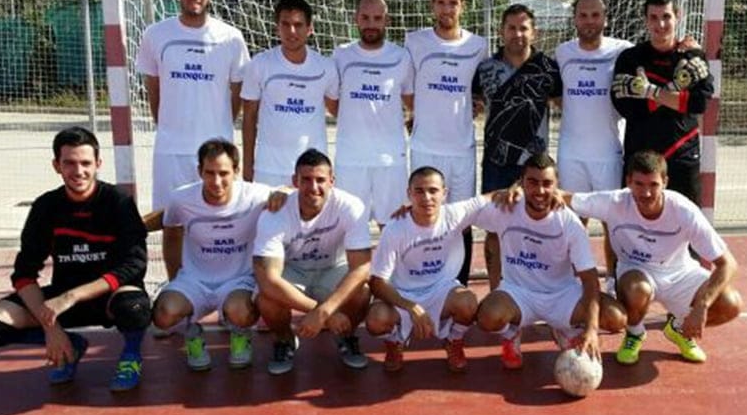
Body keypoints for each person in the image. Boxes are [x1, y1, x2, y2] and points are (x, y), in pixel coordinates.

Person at [0, 127, 151, 392]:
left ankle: (131, 356)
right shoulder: (46, 207)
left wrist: (73, 296)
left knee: (134, 307)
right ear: (57, 165)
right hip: (62, 301)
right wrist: (51, 328)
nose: (79, 172)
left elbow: (134, 265)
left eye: (86, 163)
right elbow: (24, 273)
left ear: (98, 164)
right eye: (70, 163)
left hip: (108, 295)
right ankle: (72, 346)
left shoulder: (118, 201)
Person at [567, 150, 742, 365]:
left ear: (665, 182)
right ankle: (634, 333)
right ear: (628, 181)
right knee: (637, 288)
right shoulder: (614, 202)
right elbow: (564, 198)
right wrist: (519, 192)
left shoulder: (683, 210)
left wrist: (701, 307)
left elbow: (728, 264)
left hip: (679, 274)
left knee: (730, 304)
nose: (646, 193)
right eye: (639, 184)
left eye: (653, 185)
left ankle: (677, 328)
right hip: (636, 272)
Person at [474, 153, 626, 369]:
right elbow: (462, 212)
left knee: (616, 318)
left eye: (547, 184)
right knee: (488, 317)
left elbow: (590, 280)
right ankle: (511, 333)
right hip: (519, 293)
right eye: (532, 183)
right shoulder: (506, 207)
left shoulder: (569, 221)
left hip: (562, 295)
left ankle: (564, 329)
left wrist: (591, 329)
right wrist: (412, 210)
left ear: (557, 187)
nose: (540, 190)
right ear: (522, 183)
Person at [135, 0, 250, 211]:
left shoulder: (230, 37)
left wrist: (219, 123)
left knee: (217, 220)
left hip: (216, 150)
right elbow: (153, 89)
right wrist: (169, 124)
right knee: (170, 221)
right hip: (171, 149)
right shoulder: (156, 35)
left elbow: (238, 90)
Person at [151, 139, 272, 371]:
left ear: (236, 171)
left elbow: (289, 195)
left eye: (224, 173)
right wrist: (176, 279)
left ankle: (240, 333)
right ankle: (192, 331)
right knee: (163, 316)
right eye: (210, 173)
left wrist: (284, 192)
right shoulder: (180, 199)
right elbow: (172, 235)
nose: (216, 181)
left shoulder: (256, 195)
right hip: (194, 280)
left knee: (243, 312)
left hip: (238, 280)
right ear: (199, 171)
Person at [253, 149, 373, 375]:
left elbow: (362, 267)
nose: (313, 187)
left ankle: (346, 336)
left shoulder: (350, 206)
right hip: (292, 271)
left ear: (332, 181)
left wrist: (326, 310)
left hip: (332, 269)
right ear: (294, 181)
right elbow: (268, 279)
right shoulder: (275, 212)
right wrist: (322, 311)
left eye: (320, 180)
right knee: (267, 298)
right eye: (306, 179)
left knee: (362, 291)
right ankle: (284, 340)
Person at [365, 167, 496, 373]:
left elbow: (492, 197)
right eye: (419, 191)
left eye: (433, 191)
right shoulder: (395, 227)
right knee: (376, 319)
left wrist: (517, 189)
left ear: (445, 193)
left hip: (440, 292)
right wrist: (411, 307)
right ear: (409, 194)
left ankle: (454, 340)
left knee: (468, 302)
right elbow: (377, 282)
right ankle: (394, 342)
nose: (426, 197)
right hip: (404, 294)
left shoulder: (454, 214)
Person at [405, 0, 488, 286]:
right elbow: (407, 88)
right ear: (432, 5)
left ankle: (459, 288)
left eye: (453, 3)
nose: (446, 9)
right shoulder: (415, 41)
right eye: (441, 3)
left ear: (462, 5)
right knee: (425, 218)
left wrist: (476, 104)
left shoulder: (478, 45)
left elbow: (479, 92)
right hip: (426, 147)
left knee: (461, 222)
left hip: (462, 148)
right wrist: (419, 113)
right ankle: (423, 283)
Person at [473, 3, 562, 289]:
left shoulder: (548, 68)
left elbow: (566, 104)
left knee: (538, 228)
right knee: (496, 229)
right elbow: (470, 105)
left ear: (533, 32)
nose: (517, 34)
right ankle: (498, 290)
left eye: (523, 28)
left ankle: (537, 288)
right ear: (502, 31)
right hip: (497, 161)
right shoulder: (486, 68)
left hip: (535, 165)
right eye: (511, 27)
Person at [555, 0, 633, 286]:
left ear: (605, 18)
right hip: (571, 153)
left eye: (595, 15)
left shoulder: (623, 50)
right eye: (583, 15)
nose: (589, 21)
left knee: (612, 222)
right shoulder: (562, 53)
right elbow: (556, 95)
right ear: (574, 19)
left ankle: (613, 279)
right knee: (573, 222)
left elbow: (657, 52)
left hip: (608, 153)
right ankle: (572, 282)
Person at [611, 0, 714, 205]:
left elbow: (699, 104)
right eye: (654, 18)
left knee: (687, 227)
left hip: (682, 153)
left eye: (666, 16)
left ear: (678, 16)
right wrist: (675, 92)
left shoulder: (692, 56)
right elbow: (627, 108)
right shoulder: (630, 59)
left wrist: (649, 92)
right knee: (633, 227)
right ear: (645, 20)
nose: (660, 25)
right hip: (640, 156)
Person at [331, 0, 414, 226]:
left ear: (386, 21)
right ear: (356, 19)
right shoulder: (341, 55)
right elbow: (333, 102)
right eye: (365, 18)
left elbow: (411, 101)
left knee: (392, 227)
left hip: (390, 159)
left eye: (377, 18)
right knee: (349, 226)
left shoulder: (401, 56)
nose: (371, 24)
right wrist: (354, 117)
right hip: (351, 158)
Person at [241, 0, 339, 187]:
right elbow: (249, 117)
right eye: (285, 24)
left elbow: (338, 111)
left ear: (309, 28)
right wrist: (248, 165)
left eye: (298, 24)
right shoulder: (260, 64)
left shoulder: (326, 67)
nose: (291, 31)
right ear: (277, 27)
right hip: (268, 169)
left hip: (311, 172)